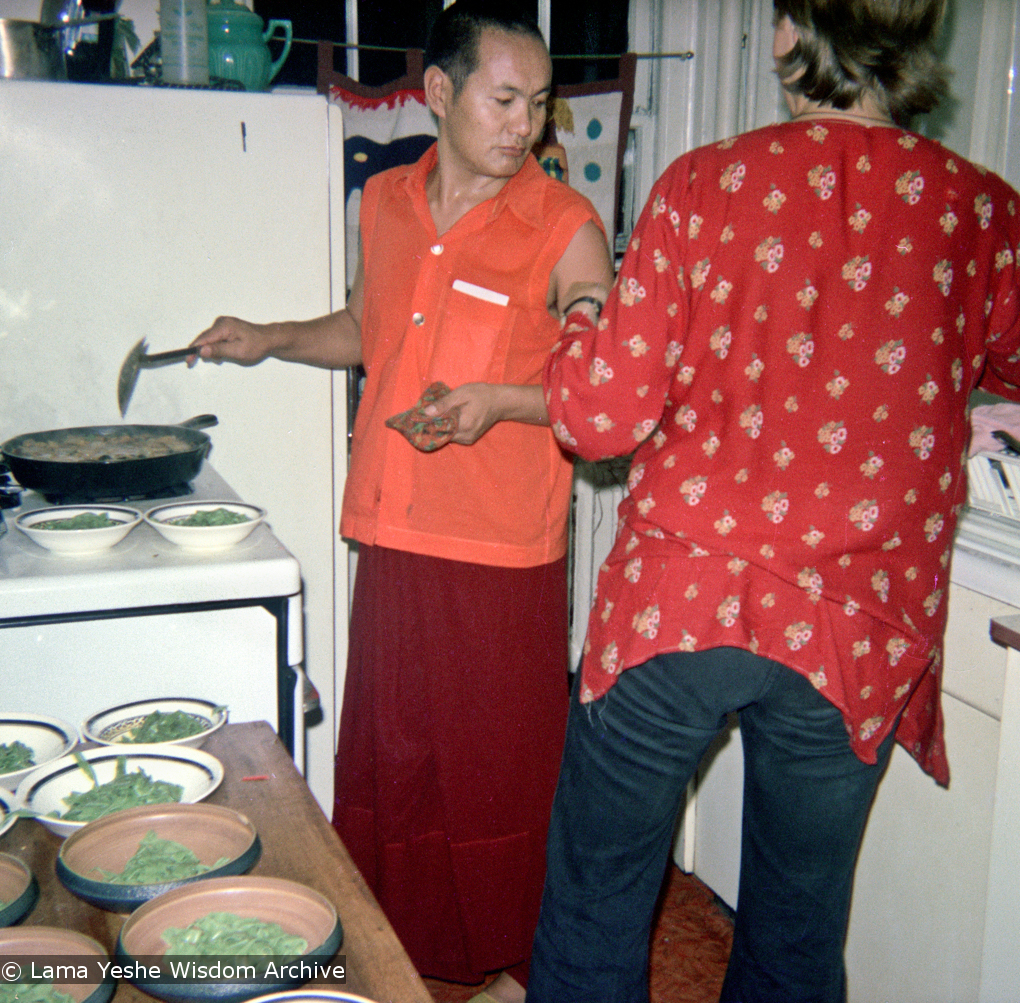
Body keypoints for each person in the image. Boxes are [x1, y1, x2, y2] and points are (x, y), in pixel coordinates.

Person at [527, 1, 1020, 1001]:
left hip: (680, 601)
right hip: (860, 622)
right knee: (796, 939)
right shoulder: (981, 213)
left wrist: (583, 305)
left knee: (597, 906)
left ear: (791, 33)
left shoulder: (707, 184)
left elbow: (595, 418)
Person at [188, 3, 613, 1000]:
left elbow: (599, 378)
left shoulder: (564, 224)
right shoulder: (382, 202)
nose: (527, 124)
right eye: (506, 99)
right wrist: (267, 336)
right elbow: (366, 329)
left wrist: (498, 403)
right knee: (401, 761)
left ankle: (521, 965)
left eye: (539, 103)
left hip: (502, 551)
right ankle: (397, 950)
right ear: (438, 93)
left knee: (498, 774)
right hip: (392, 525)